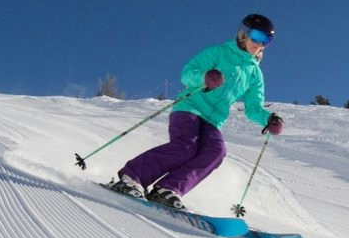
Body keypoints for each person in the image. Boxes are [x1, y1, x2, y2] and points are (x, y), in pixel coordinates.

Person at [114, 13, 285, 210]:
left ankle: (167, 189)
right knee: (185, 147)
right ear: (243, 33)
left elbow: (253, 107)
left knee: (216, 152)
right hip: (189, 108)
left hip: (213, 121)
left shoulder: (254, 74)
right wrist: (205, 78)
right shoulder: (218, 52)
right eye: (257, 37)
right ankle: (132, 177)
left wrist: (268, 119)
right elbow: (187, 73)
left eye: (266, 40)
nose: (260, 44)